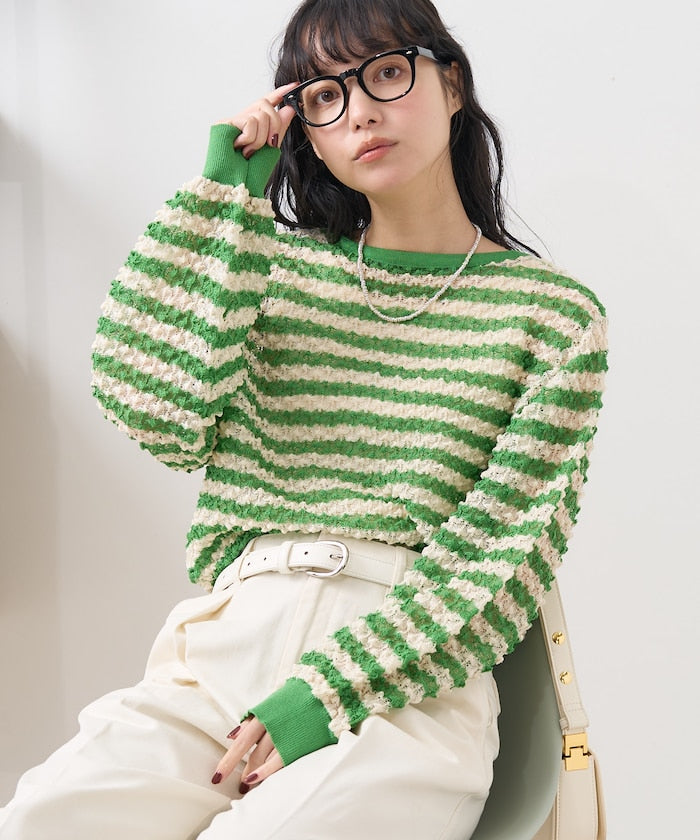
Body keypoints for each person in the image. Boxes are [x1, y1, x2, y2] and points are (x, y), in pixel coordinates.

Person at [0, 0, 607, 837]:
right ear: (307, 132)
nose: (359, 111)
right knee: (41, 820)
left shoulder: (554, 316)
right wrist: (222, 194)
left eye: (386, 73)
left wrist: (326, 694)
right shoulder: (268, 269)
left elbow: (504, 552)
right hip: (223, 652)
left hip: (402, 681)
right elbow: (156, 410)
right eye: (324, 95)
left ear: (451, 84)